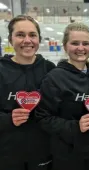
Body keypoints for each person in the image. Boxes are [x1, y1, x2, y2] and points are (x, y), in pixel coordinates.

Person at [35, 22, 89, 170]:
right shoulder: (54, 78)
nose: (81, 48)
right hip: (67, 153)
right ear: (65, 46)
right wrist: (75, 126)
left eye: (86, 43)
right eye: (75, 43)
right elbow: (43, 118)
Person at [0, 15, 55, 170]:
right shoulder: (1, 70)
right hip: (7, 153)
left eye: (32, 35)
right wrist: (8, 119)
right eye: (20, 35)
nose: (27, 40)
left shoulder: (50, 69)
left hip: (43, 151)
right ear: (11, 39)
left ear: (39, 39)